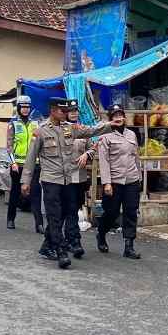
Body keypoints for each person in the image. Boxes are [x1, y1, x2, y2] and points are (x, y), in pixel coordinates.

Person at [22, 97, 122, 269]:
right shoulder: (40, 132)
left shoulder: (70, 128)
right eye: (63, 111)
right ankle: (61, 251)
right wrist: (26, 182)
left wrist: (110, 125)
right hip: (51, 181)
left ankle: (47, 246)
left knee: (67, 213)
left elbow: (90, 131)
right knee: (54, 217)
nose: (66, 114)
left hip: (68, 181)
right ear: (53, 110)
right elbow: (30, 159)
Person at [96, 104, 143, 260]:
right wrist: (107, 183)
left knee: (131, 212)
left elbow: (135, 157)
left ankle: (129, 246)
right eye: (115, 115)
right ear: (111, 118)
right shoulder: (105, 136)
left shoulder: (131, 135)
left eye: (120, 115)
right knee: (112, 212)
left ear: (124, 117)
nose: (118, 118)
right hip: (114, 181)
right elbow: (104, 161)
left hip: (131, 180)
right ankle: (101, 234)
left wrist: (139, 178)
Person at [6, 95, 44, 232]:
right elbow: (9, 146)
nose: (26, 110)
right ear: (18, 108)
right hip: (18, 165)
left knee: (36, 193)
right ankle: (10, 219)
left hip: (34, 164)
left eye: (28, 107)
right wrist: (13, 162)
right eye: (23, 107)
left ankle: (39, 224)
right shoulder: (13, 123)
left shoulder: (36, 123)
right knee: (15, 192)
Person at [63, 101, 94, 259]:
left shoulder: (83, 129)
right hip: (66, 177)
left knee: (74, 210)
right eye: (71, 111)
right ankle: (75, 241)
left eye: (76, 111)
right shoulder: (61, 129)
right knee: (70, 210)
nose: (74, 113)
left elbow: (93, 147)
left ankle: (68, 239)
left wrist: (87, 154)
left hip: (81, 177)